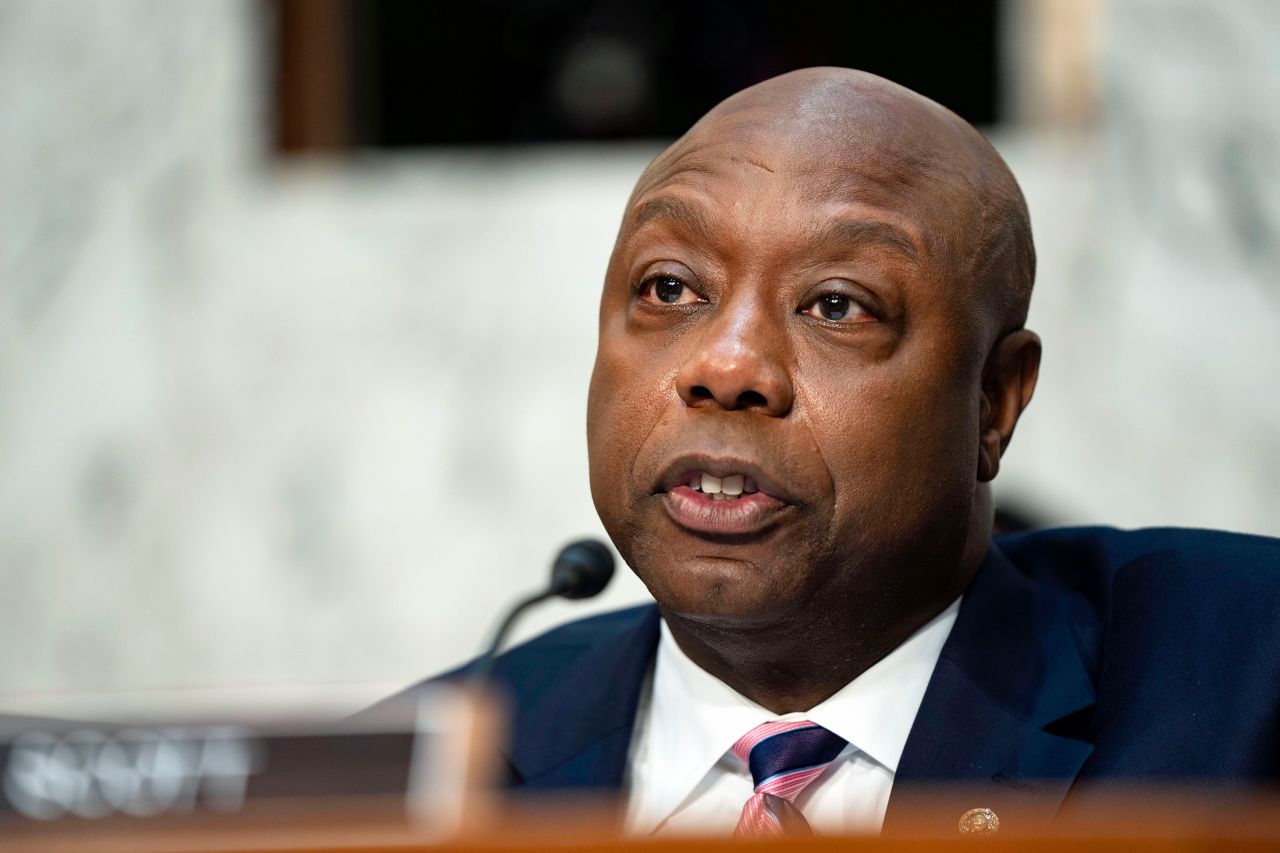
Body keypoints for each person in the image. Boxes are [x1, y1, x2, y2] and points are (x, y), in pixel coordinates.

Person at [370, 68, 1280, 837]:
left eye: (837, 304)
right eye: (671, 286)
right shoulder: (407, 780)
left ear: (995, 403)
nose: (726, 368)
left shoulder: (1240, 684)